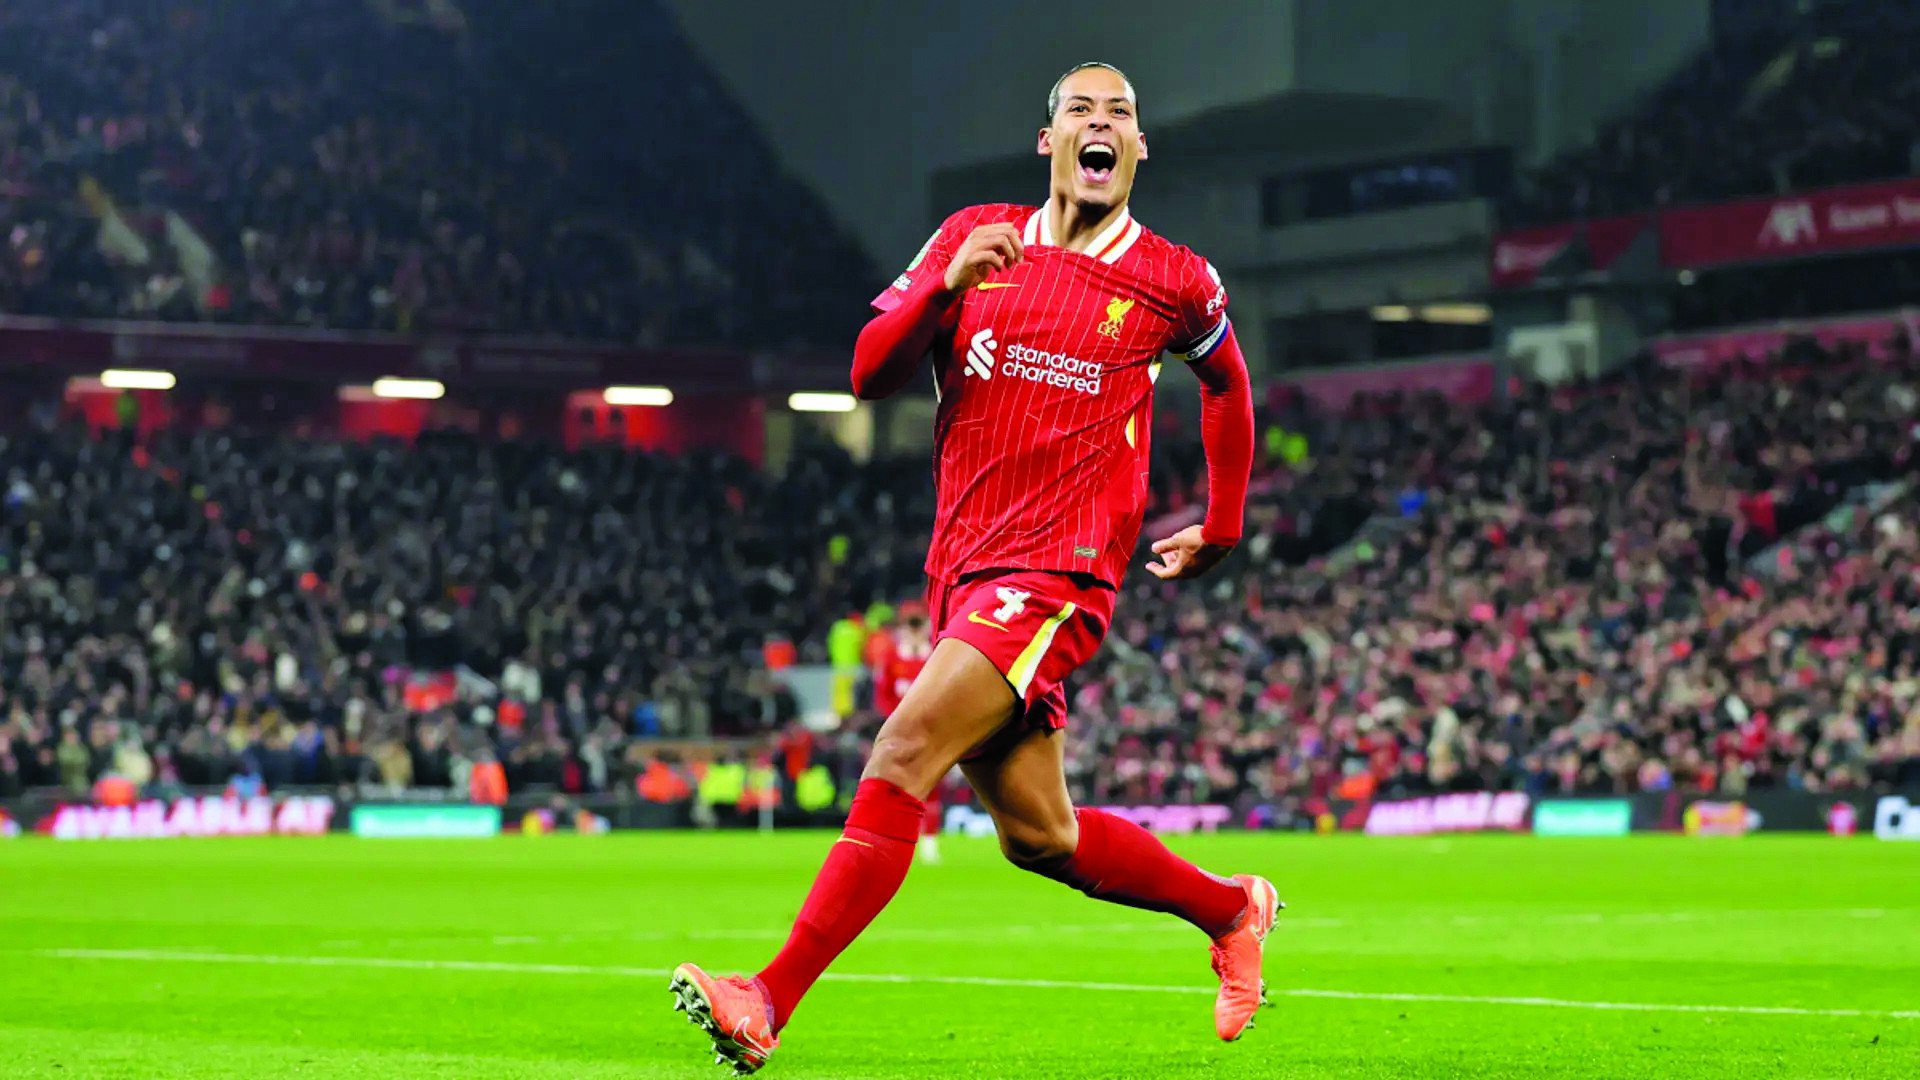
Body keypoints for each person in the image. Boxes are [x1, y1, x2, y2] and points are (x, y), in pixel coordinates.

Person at [670, 62, 1274, 1074]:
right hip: (964, 572)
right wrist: (943, 289)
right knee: (1041, 837)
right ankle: (1232, 909)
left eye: (1119, 114)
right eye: (1080, 110)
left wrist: (1221, 520)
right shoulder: (971, 238)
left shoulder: (1173, 279)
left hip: (1057, 574)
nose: (1100, 124)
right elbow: (868, 373)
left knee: (902, 753)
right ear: (1049, 143)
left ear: (1137, 150)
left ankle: (766, 997)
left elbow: (1229, 384)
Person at [872, 601, 943, 863]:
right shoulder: (892, 657)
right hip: (900, 732)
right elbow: (883, 695)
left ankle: (929, 843)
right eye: (909, 624)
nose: (914, 630)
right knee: (894, 784)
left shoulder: (936, 654)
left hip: (931, 730)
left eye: (917, 624)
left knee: (931, 785)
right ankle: (891, 841)